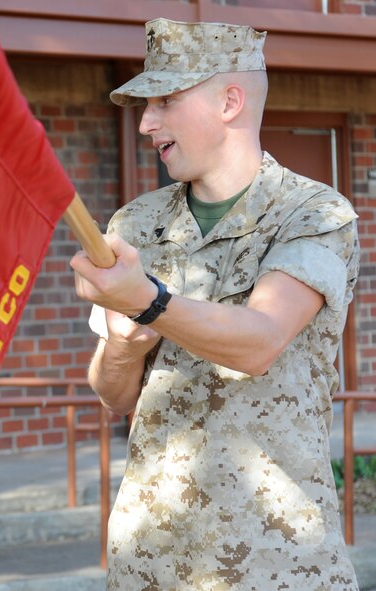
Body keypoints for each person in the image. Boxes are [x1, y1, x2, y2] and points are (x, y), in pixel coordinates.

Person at [70, 18, 360, 590]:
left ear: (230, 101)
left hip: (275, 561)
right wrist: (124, 349)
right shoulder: (136, 223)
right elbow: (112, 394)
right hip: (150, 560)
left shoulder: (315, 214)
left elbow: (259, 341)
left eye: (167, 100)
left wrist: (149, 304)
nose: (148, 122)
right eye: (146, 105)